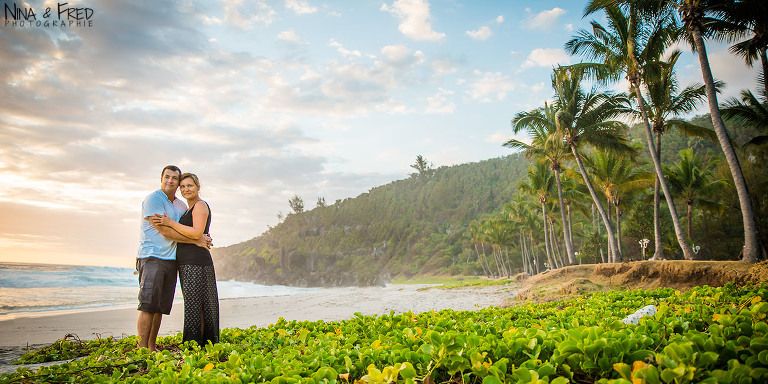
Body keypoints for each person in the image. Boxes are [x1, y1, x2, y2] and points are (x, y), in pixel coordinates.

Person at [137, 165, 211, 351]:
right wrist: (196, 239)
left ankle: (152, 347)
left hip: (171, 259)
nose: (170, 181)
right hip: (152, 256)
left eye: (174, 178)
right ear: (161, 178)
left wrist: (197, 236)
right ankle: (142, 347)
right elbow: (164, 230)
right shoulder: (153, 199)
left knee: (160, 307)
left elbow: (185, 227)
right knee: (148, 305)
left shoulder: (179, 205)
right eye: (167, 177)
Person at [151, 173, 220, 346]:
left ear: (198, 187)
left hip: (197, 261)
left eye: (190, 186)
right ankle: (199, 343)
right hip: (187, 261)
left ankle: (197, 344)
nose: (186, 189)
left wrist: (170, 222)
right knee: (194, 304)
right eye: (182, 186)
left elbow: (197, 232)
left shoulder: (200, 205)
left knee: (198, 305)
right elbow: (196, 234)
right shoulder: (188, 209)